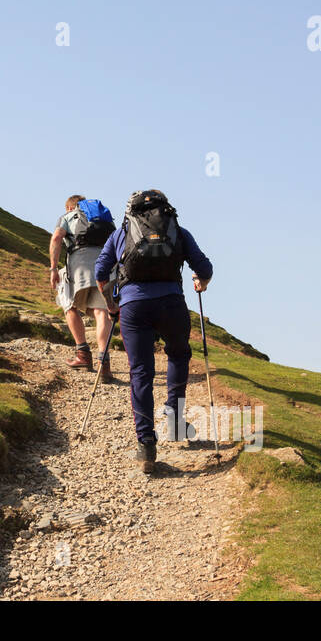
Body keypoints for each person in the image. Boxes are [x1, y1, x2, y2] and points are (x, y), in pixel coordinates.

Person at [95, 189, 213, 474]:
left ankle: (146, 444)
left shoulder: (121, 233)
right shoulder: (178, 231)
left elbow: (101, 271)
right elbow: (204, 267)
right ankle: (174, 420)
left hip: (134, 306)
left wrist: (111, 304)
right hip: (171, 302)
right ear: (166, 209)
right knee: (178, 355)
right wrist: (202, 283)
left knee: (141, 371)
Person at [50, 195, 116, 382]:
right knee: (101, 312)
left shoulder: (69, 217)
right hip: (106, 265)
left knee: (69, 306)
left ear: (70, 207)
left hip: (79, 264)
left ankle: (83, 354)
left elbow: (56, 238)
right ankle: (104, 360)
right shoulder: (104, 219)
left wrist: (54, 268)